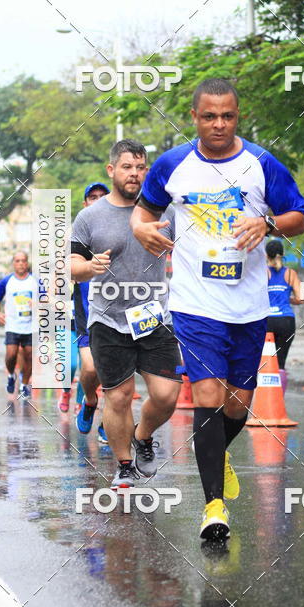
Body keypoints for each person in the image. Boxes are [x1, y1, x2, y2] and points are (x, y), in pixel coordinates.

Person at [133, 78, 304, 541]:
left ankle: (216, 453)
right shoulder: (173, 164)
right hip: (194, 303)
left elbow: (298, 217)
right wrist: (141, 229)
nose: (218, 124)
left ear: (237, 116)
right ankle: (213, 506)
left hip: (248, 306)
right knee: (207, 397)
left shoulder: (261, 163)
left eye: (227, 116)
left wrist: (266, 220)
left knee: (238, 406)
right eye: (209, 116)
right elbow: (142, 211)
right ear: (194, 117)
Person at [70, 139, 182, 490]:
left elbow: (189, 252)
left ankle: (143, 436)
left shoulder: (165, 213)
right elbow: (71, 266)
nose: (134, 174)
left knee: (166, 395)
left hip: (152, 317)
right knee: (117, 396)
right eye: (127, 167)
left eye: (140, 168)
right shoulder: (90, 217)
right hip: (107, 319)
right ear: (111, 170)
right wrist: (89, 267)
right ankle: (123, 465)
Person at [58, 181, 109, 417]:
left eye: (102, 196)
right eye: (92, 197)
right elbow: (63, 270)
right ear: (85, 203)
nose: (98, 201)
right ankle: (78, 396)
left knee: (111, 377)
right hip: (80, 313)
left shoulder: (120, 227)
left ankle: (96, 418)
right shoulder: (76, 233)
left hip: (116, 311)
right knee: (78, 366)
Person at [0, 251, 38, 398]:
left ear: (27, 263)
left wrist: (37, 304)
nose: (20, 264)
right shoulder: (6, 281)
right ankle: (11, 375)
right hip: (12, 325)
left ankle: (24, 385)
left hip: (31, 326)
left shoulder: (36, 281)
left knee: (29, 356)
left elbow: (46, 298)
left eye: (23, 261)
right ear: (13, 263)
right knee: (11, 355)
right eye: (17, 261)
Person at [265, 238, 304, 394]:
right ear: (283, 254)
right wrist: (285, 299)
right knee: (280, 363)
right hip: (286, 322)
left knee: (265, 362)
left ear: (266, 255)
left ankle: (264, 399)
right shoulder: (290, 274)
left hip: (266, 322)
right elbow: (300, 298)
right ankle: (277, 401)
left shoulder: (263, 272)